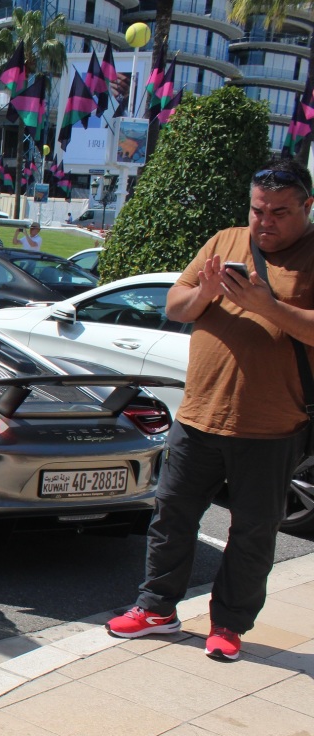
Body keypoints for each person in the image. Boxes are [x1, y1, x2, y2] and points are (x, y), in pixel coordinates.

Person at [106, 157, 314, 662]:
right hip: (199, 418)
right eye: (258, 209)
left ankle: (229, 625)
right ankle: (156, 609)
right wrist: (207, 291)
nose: (265, 222)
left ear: (308, 207)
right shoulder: (224, 240)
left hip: (272, 427)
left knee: (253, 533)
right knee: (171, 517)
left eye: (280, 212)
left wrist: (267, 306)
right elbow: (175, 306)